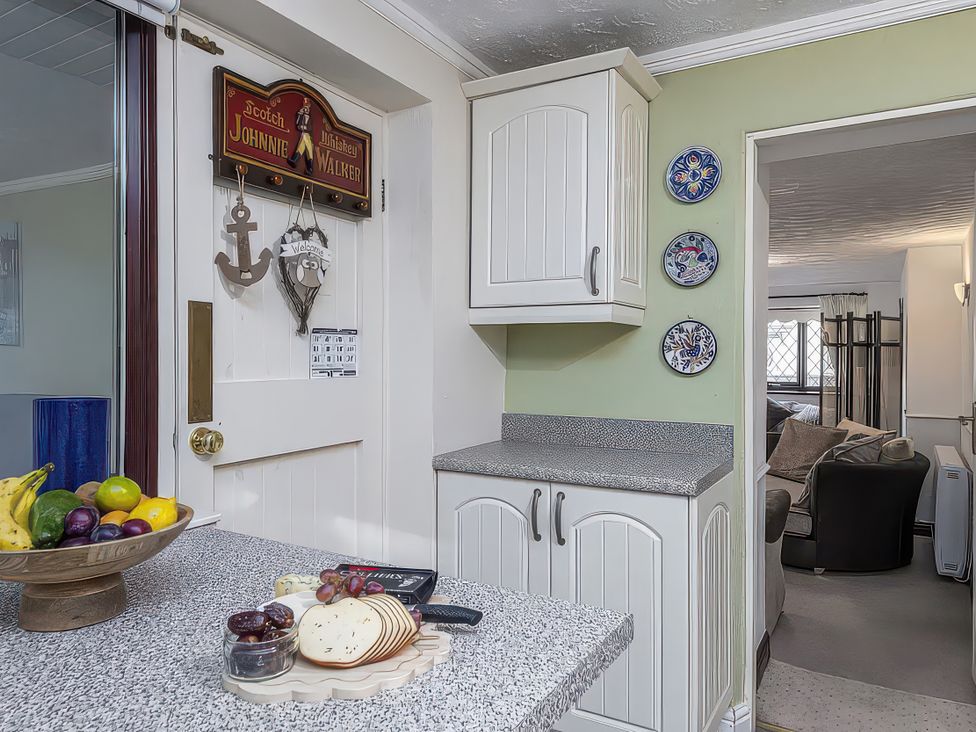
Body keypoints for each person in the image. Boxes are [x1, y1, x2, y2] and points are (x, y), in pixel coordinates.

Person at [287, 97, 314, 176]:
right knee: (303, 148)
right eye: (304, 107)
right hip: (304, 134)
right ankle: (308, 167)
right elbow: (298, 123)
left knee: (308, 150)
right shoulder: (302, 115)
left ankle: (297, 161)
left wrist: (304, 128)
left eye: (306, 108)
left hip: (308, 135)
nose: (305, 109)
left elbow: (310, 128)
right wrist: (300, 113)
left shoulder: (310, 118)